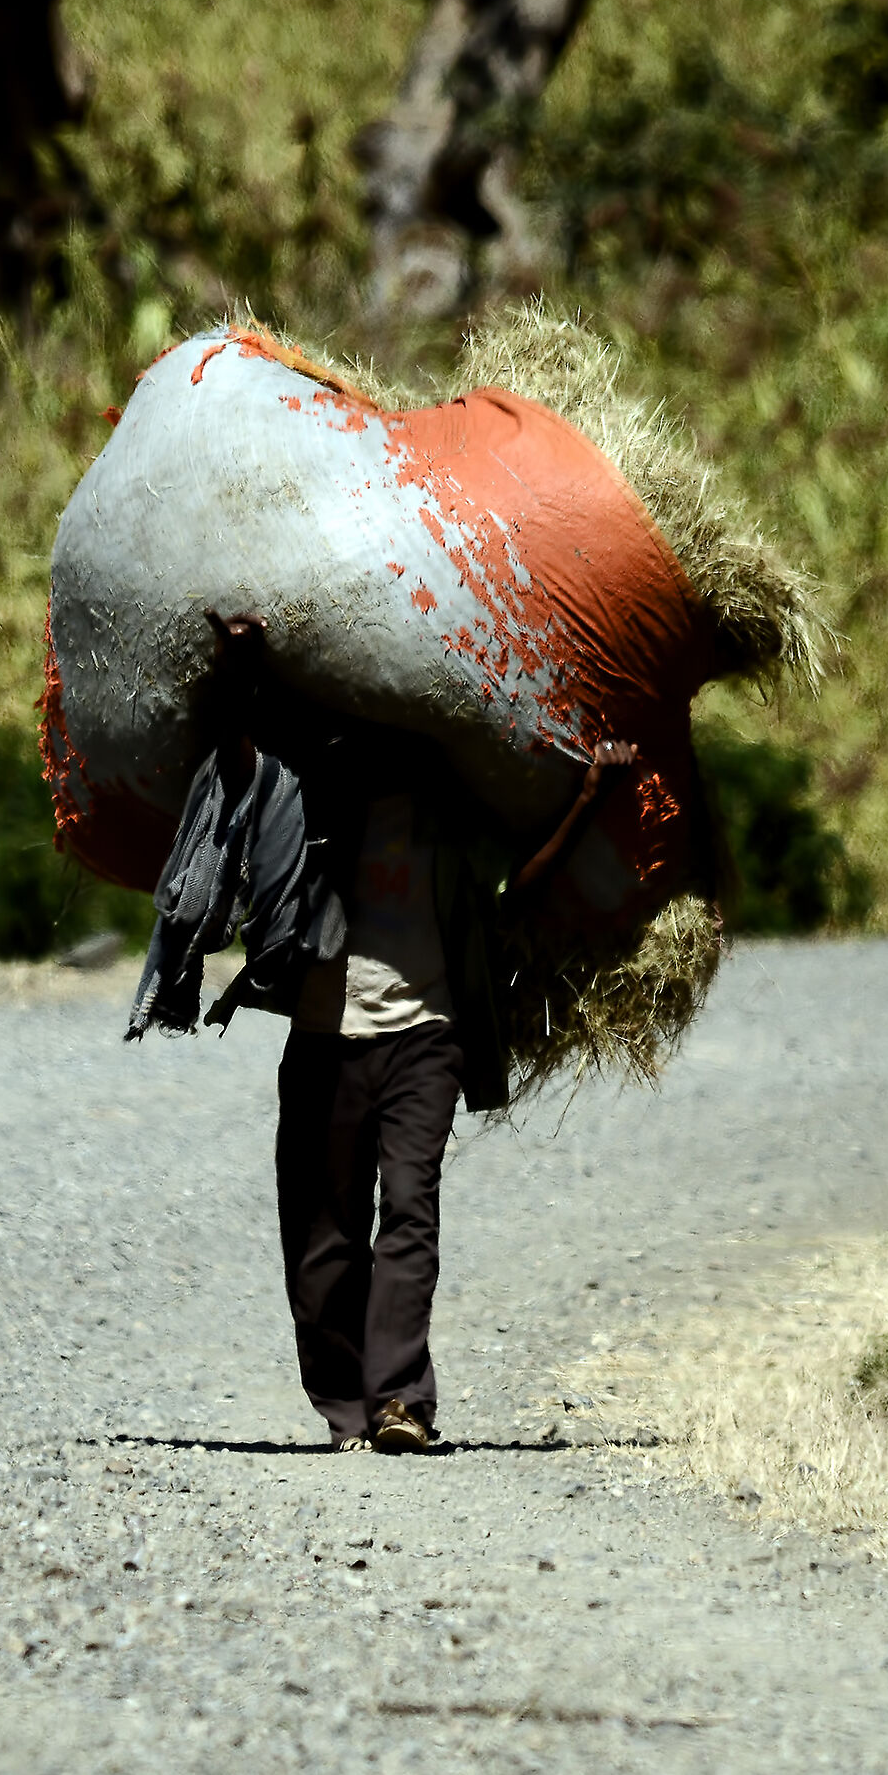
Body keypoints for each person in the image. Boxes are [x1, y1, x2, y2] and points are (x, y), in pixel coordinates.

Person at [133, 612, 635, 1453]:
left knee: (409, 1210)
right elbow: (235, 764)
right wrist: (241, 667)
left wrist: (588, 798)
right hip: (325, 1039)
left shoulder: (446, 812)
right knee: (321, 1234)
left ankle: (401, 1400)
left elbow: (518, 885)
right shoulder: (305, 802)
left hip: (424, 1036)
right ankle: (344, 1406)